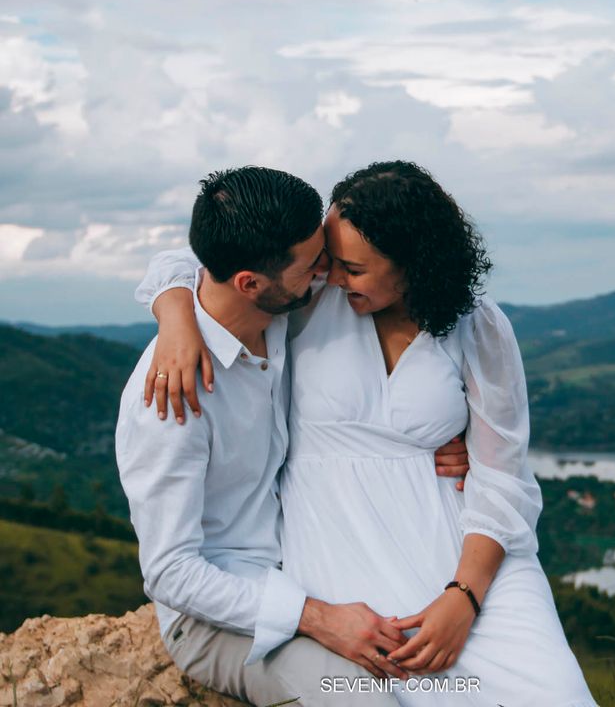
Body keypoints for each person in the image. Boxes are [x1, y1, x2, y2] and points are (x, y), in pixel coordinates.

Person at [140, 161, 598, 707]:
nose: (332, 276)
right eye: (329, 261)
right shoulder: (307, 303)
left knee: (553, 691)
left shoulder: (478, 327)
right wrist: (176, 318)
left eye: (352, 268)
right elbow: (206, 264)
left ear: (410, 266)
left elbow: (505, 478)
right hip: (340, 543)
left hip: (460, 546)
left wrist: (464, 597)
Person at [116, 166, 469, 707]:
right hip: (222, 615)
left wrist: (437, 435)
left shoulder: (275, 312)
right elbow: (171, 573)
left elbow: (181, 263)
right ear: (251, 284)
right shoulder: (172, 400)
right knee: (362, 698)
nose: (328, 271)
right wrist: (316, 618)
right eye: (313, 264)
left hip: (308, 557)